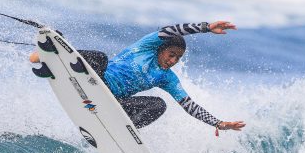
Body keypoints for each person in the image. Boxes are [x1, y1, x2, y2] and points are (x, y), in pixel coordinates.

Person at [30, 21, 245, 133]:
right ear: (161, 49)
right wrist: (206, 27)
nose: (173, 61)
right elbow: (172, 30)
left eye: (178, 59)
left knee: (159, 105)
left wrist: (218, 123)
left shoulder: (166, 78)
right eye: (172, 55)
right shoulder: (147, 45)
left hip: (115, 103)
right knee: (99, 57)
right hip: (98, 79)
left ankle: (120, 129)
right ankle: (49, 60)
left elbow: (188, 104)